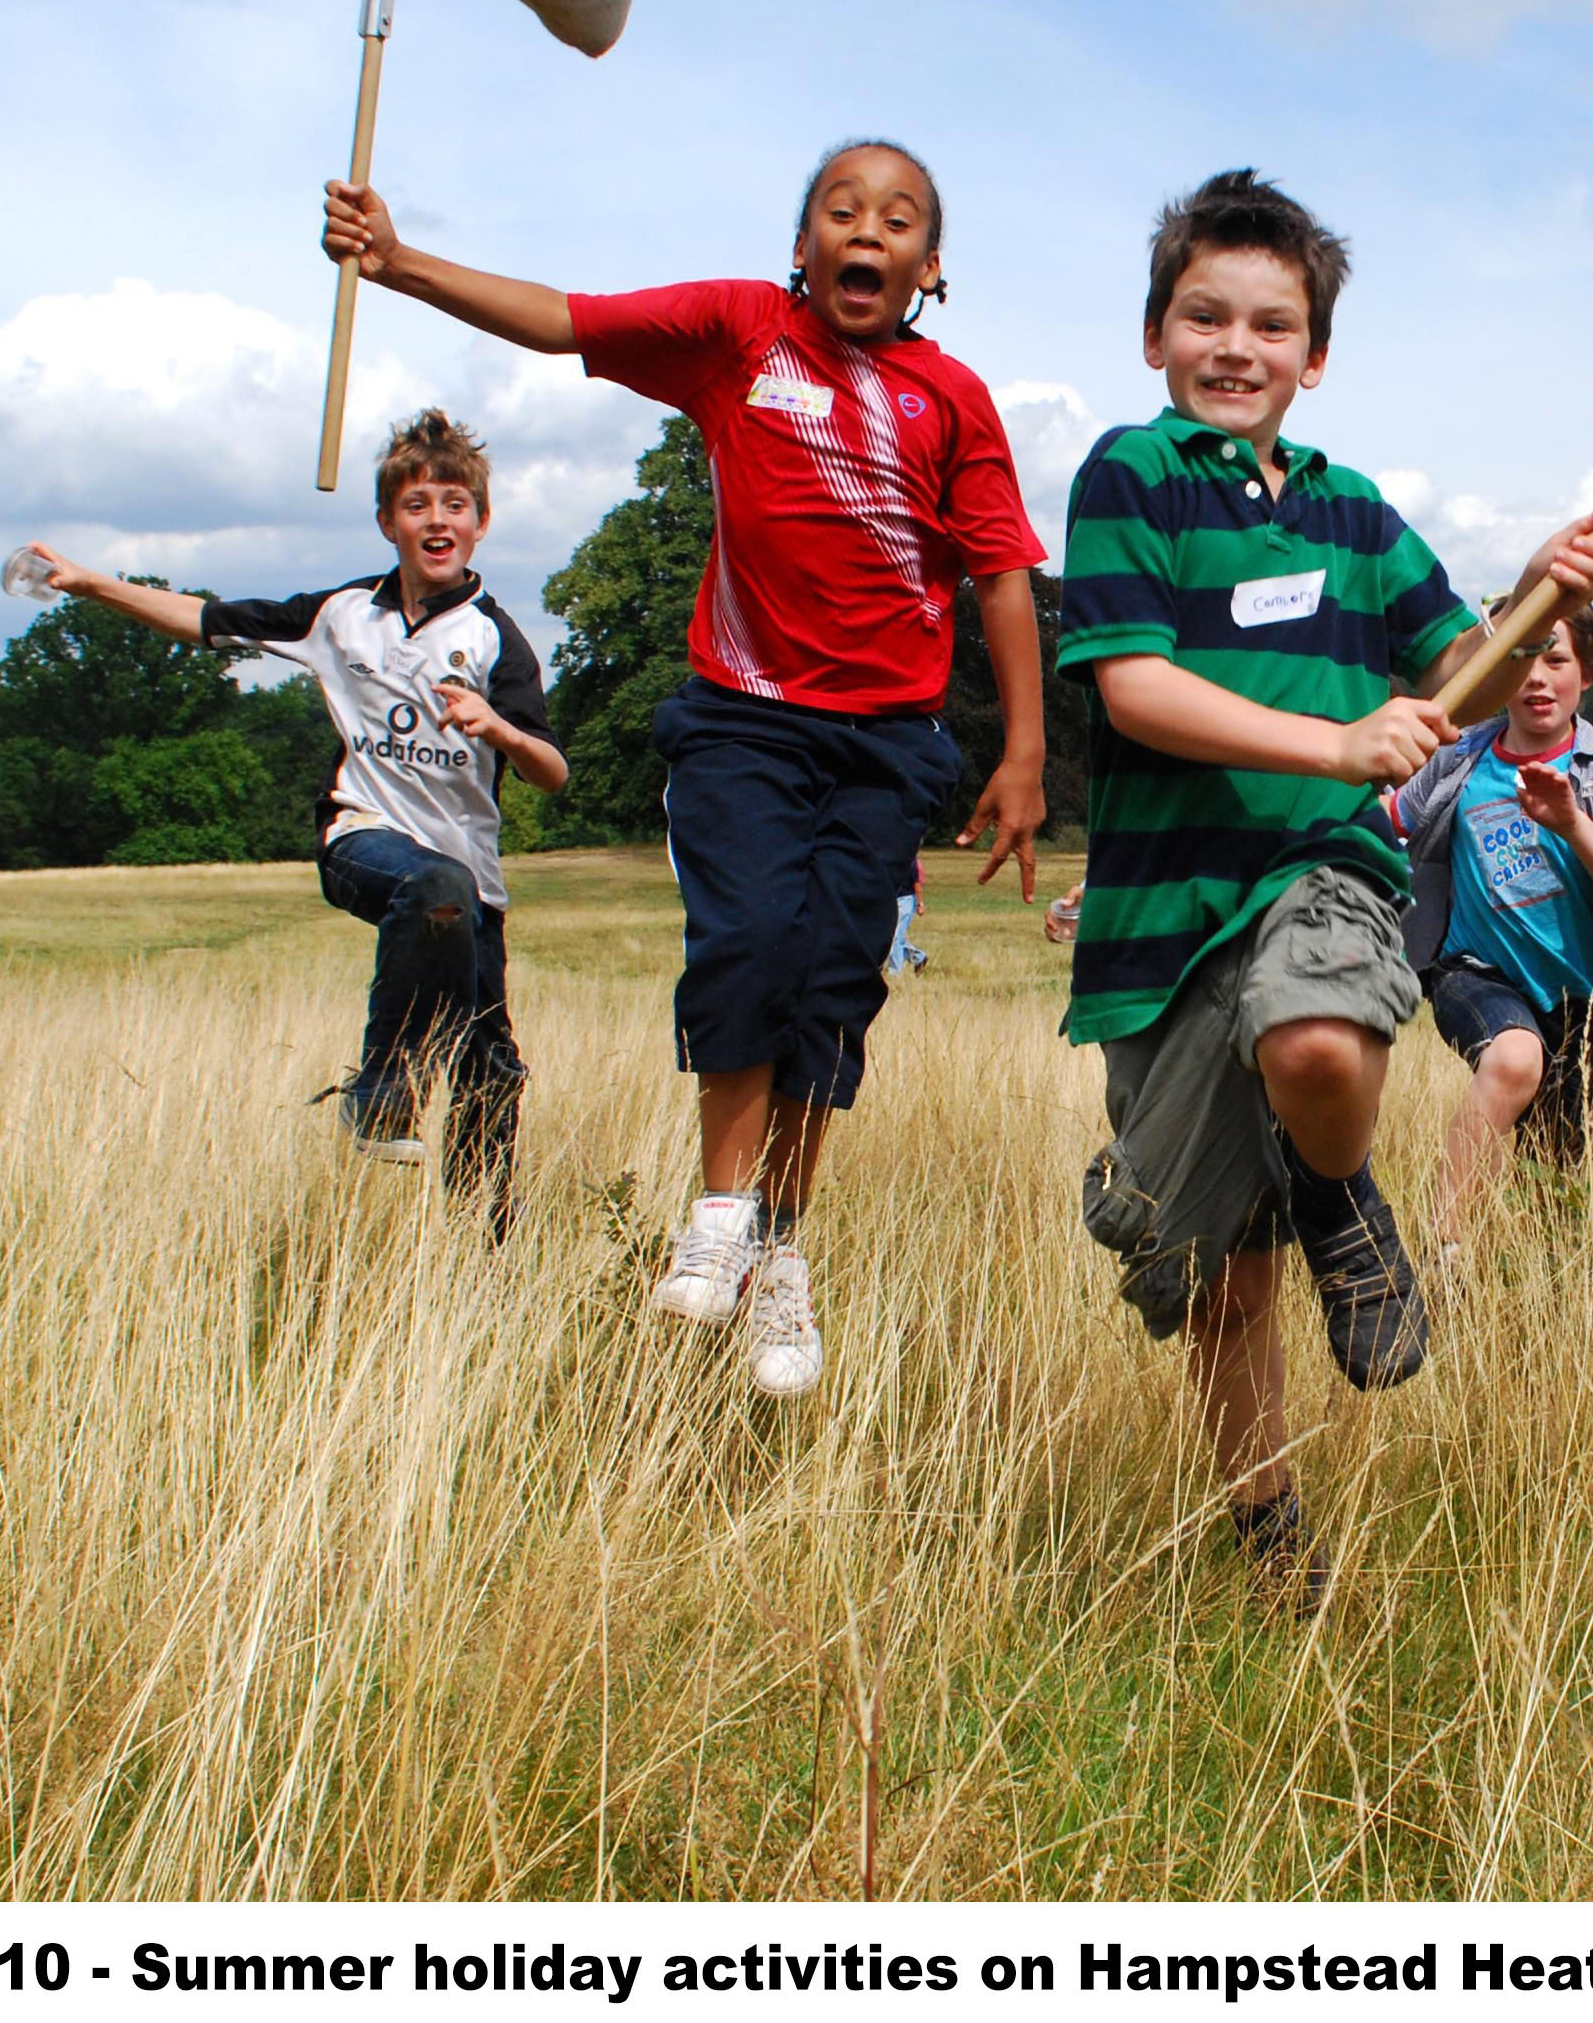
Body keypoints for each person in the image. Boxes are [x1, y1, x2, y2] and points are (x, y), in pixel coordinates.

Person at [323, 141, 1049, 1399]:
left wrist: (1025, 750)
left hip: (887, 739)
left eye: (895, 219)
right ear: (801, 244)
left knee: (831, 983)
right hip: (743, 720)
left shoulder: (956, 401)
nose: (863, 230)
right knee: (748, 943)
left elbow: (998, 572)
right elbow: (564, 321)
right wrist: (396, 266)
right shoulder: (739, 336)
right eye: (839, 210)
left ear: (929, 267)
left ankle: (780, 1253)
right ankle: (720, 1212)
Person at [1060, 169, 1593, 1603]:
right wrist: (1332, 735)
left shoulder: (1359, 515)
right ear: (1154, 335)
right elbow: (1131, 688)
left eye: (1271, 323)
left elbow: (1461, 671)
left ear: (1314, 356)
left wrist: (1539, 592)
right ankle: (1271, 1539)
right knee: (1215, 1281)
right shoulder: (1130, 475)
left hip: (1317, 868)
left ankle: (1338, 1195)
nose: (1235, 346)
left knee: (1321, 1037)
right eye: (1205, 315)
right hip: (1160, 921)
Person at [14, 411, 567, 1236]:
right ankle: (380, 1095)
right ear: (388, 522)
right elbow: (203, 618)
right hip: (364, 840)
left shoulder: (495, 641)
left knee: (491, 1067)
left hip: (470, 880)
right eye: (418, 505)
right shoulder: (340, 615)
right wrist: (93, 584)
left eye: (456, 505)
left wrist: (503, 729)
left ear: (481, 524)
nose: (438, 520)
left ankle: (481, 1249)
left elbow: (550, 773)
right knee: (429, 885)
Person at [1389, 594, 1593, 1263]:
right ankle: (1442, 1249)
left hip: (1578, 1001)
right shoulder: (1458, 759)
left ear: (1587, 673)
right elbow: (1381, 818)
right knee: (1513, 1061)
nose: (1538, 677)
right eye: (1522, 659)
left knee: (1552, 1179)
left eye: (1557, 658)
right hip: (1470, 971)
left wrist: (1571, 821)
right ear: (1495, 672)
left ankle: (1534, 1298)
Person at [885, 853, 931, 976]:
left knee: (896, 938)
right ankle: (918, 957)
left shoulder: (910, 859)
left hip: (906, 899)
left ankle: (895, 973)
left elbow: (916, 883)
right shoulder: (887, 857)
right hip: (890, 900)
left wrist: (920, 903)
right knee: (888, 937)